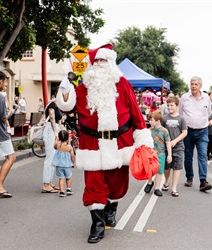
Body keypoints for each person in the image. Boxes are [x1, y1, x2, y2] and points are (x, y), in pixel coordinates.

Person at [56, 44, 153, 243]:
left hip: (120, 144)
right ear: (92, 64)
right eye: (97, 61)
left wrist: (143, 139)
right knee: (93, 185)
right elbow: (67, 105)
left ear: (110, 63)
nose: (100, 65)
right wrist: (65, 90)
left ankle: (112, 206)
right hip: (92, 145)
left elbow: (136, 113)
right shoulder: (84, 87)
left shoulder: (123, 84)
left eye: (104, 60)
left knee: (118, 185)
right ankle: (97, 225)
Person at [179, 76, 212, 191]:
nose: (193, 86)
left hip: (202, 131)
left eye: (196, 84)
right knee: (188, 156)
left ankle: (203, 181)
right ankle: (189, 177)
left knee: (202, 155)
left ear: (200, 86)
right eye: (192, 84)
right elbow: (180, 113)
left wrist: (200, 121)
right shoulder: (184, 98)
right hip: (188, 131)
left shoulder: (206, 98)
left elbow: (209, 113)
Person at [162, 96, 187, 197]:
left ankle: (174, 188)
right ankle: (166, 181)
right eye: (168, 105)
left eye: (172, 105)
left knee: (177, 167)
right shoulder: (164, 118)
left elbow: (184, 132)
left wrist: (175, 141)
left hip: (178, 146)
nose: (169, 107)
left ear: (177, 106)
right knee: (167, 167)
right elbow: (162, 131)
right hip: (166, 147)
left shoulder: (181, 119)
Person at [144, 112, 172, 197]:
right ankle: (149, 182)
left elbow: (168, 143)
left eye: (151, 120)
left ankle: (157, 188)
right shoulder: (149, 130)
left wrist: (169, 155)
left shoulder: (164, 131)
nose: (150, 122)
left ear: (158, 121)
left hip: (161, 154)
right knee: (149, 169)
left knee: (160, 171)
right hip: (150, 154)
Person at [41, 97, 63, 193]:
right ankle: (46, 184)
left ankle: (49, 181)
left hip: (54, 130)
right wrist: (55, 132)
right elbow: (52, 117)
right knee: (50, 157)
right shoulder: (52, 105)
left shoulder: (58, 106)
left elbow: (58, 120)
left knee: (53, 157)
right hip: (50, 130)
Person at [52, 130, 75, 197]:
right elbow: (72, 156)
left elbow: (54, 146)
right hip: (67, 165)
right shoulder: (69, 147)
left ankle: (62, 191)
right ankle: (68, 189)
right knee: (68, 177)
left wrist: (56, 140)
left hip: (59, 165)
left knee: (61, 178)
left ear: (59, 137)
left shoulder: (58, 145)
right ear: (68, 137)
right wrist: (73, 162)